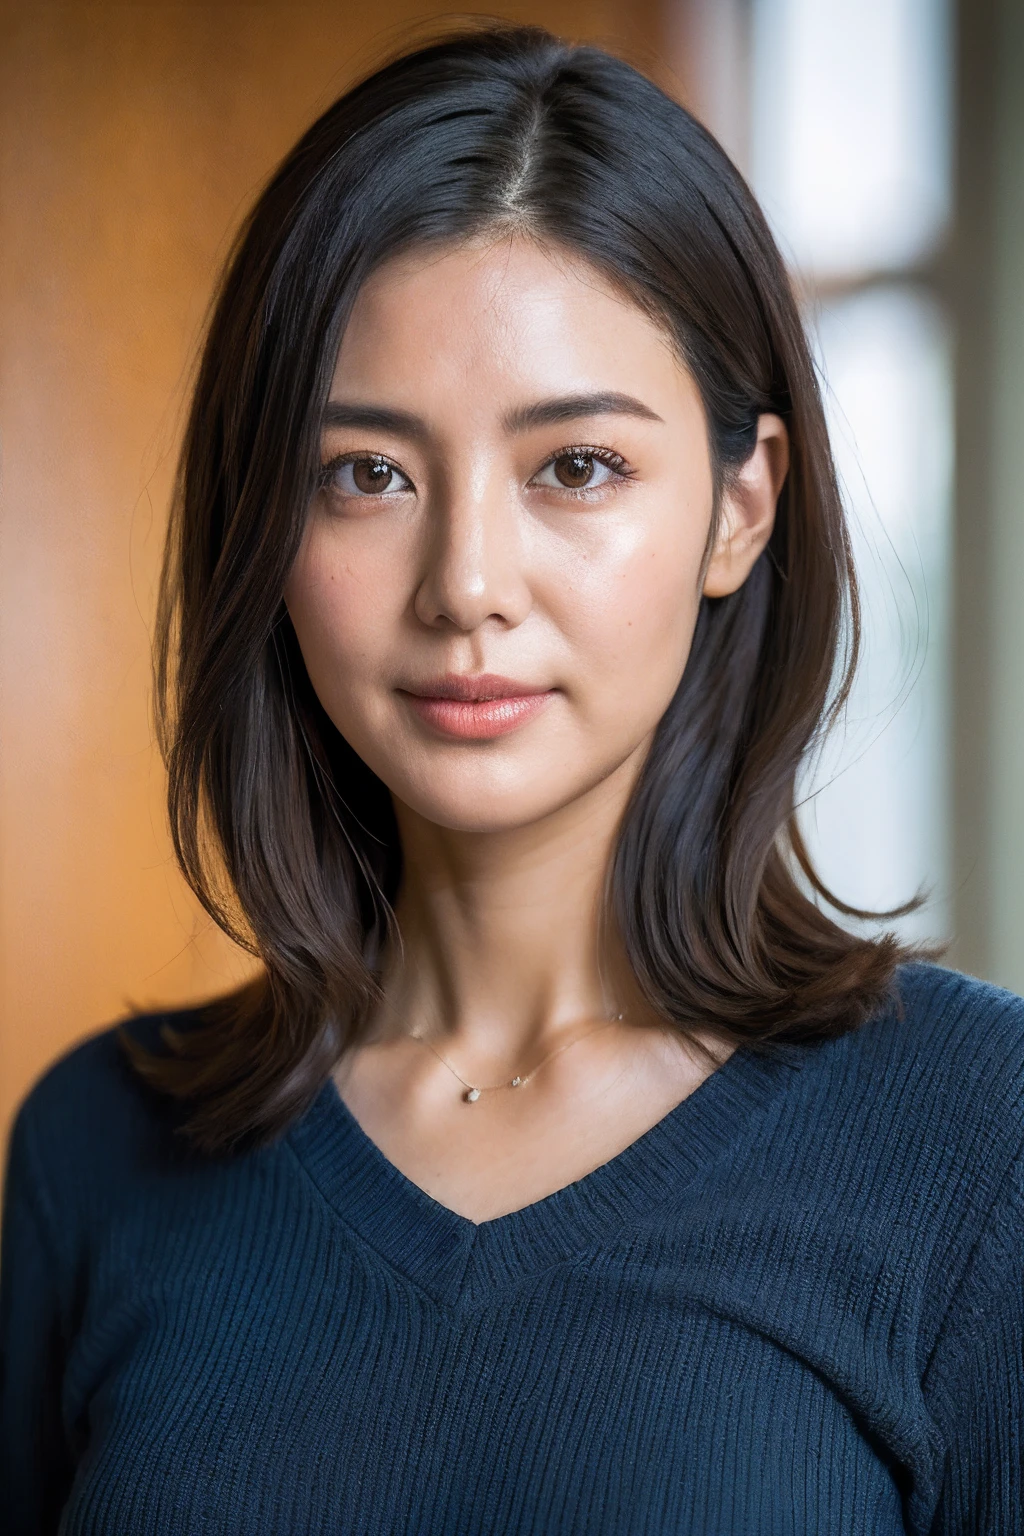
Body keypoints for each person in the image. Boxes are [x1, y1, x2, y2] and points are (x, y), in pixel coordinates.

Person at [2, 23, 1021, 1534]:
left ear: (742, 509)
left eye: (578, 467)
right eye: (368, 474)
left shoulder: (981, 1141)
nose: (466, 583)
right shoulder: (95, 1148)